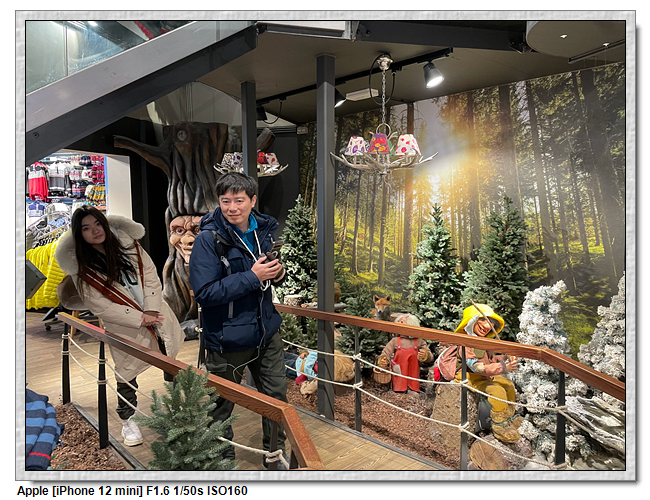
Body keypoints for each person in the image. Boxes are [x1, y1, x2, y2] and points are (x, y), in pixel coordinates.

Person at [55, 206, 185, 447]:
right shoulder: (82, 269)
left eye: (97, 223)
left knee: (170, 359)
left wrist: (151, 309)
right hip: (126, 326)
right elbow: (100, 306)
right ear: (79, 234)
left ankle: (179, 408)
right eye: (86, 228)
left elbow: (150, 275)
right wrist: (139, 318)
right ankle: (127, 418)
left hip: (156, 313)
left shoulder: (129, 245)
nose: (95, 231)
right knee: (127, 372)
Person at [188, 172, 288, 470]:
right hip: (227, 337)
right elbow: (205, 293)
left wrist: (277, 274)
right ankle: (222, 462)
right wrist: (252, 277)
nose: (232, 208)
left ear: (252, 200)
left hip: (266, 332)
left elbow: (268, 276)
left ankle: (274, 454)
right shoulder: (208, 240)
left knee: (276, 398)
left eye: (239, 200)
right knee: (221, 404)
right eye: (225, 201)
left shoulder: (263, 231)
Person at [452, 303, 522, 443]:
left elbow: (492, 360)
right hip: (471, 377)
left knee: (508, 385)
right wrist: (503, 367)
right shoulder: (466, 344)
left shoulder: (482, 343)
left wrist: (506, 358)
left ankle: (508, 417)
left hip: (484, 376)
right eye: (483, 320)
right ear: (472, 321)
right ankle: (499, 425)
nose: (488, 325)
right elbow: (478, 368)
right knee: (497, 391)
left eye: (491, 323)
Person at [377, 313, 433, 392]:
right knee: (398, 386)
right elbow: (386, 353)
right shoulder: (395, 341)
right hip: (399, 374)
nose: (398, 324)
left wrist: (425, 355)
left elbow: (430, 356)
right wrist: (383, 360)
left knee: (413, 388)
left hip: (413, 375)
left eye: (401, 322)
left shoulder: (419, 341)